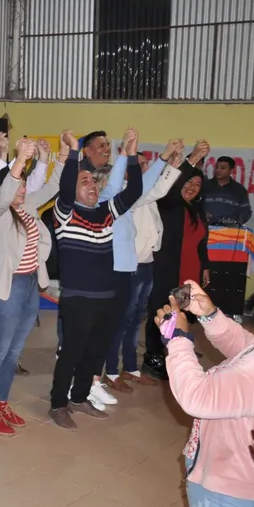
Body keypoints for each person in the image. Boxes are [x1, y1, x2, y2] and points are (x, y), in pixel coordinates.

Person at [48, 128, 142, 430]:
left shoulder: (105, 212)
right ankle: (58, 404)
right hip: (78, 299)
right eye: (84, 181)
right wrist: (74, 152)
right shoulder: (64, 213)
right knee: (71, 353)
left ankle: (79, 397)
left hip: (107, 296)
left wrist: (132, 156)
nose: (91, 186)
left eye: (92, 182)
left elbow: (134, 192)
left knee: (96, 353)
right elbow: (65, 188)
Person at [157, 279, 254, 507]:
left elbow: (197, 396)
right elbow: (246, 346)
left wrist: (178, 339)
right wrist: (209, 314)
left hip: (229, 491)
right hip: (248, 482)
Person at [0, 138, 58, 436]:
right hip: (7, 287)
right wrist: (19, 162)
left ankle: (2, 402)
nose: (23, 190)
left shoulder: (28, 208)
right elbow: (3, 196)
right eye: (18, 185)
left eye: (25, 185)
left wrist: (59, 156)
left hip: (29, 285)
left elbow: (52, 187)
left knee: (14, 352)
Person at [102, 140, 183, 394]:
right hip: (131, 265)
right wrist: (168, 165)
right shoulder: (125, 195)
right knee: (122, 320)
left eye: (147, 164)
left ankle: (131, 368)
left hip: (146, 263)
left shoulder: (143, 195)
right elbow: (156, 189)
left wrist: (170, 166)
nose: (145, 168)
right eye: (141, 164)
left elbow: (156, 193)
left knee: (136, 319)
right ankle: (112, 371)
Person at [144, 141, 211, 380]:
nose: (192, 187)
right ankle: (152, 357)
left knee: (179, 315)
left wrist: (205, 267)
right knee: (161, 312)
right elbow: (171, 189)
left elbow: (202, 242)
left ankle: (174, 349)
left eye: (197, 185)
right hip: (167, 270)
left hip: (188, 273)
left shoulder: (198, 211)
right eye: (189, 182)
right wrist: (191, 159)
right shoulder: (169, 205)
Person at [204, 155, 254, 318]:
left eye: (223, 167)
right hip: (206, 236)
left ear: (231, 170)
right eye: (217, 167)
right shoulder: (205, 186)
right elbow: (193, 206)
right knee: (207, 272)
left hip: (231, 240)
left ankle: (231, 310)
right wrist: (202, 213)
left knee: (230, 274)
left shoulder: (239, 190)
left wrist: (235, 220)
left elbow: (246, 212)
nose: (218, 170)